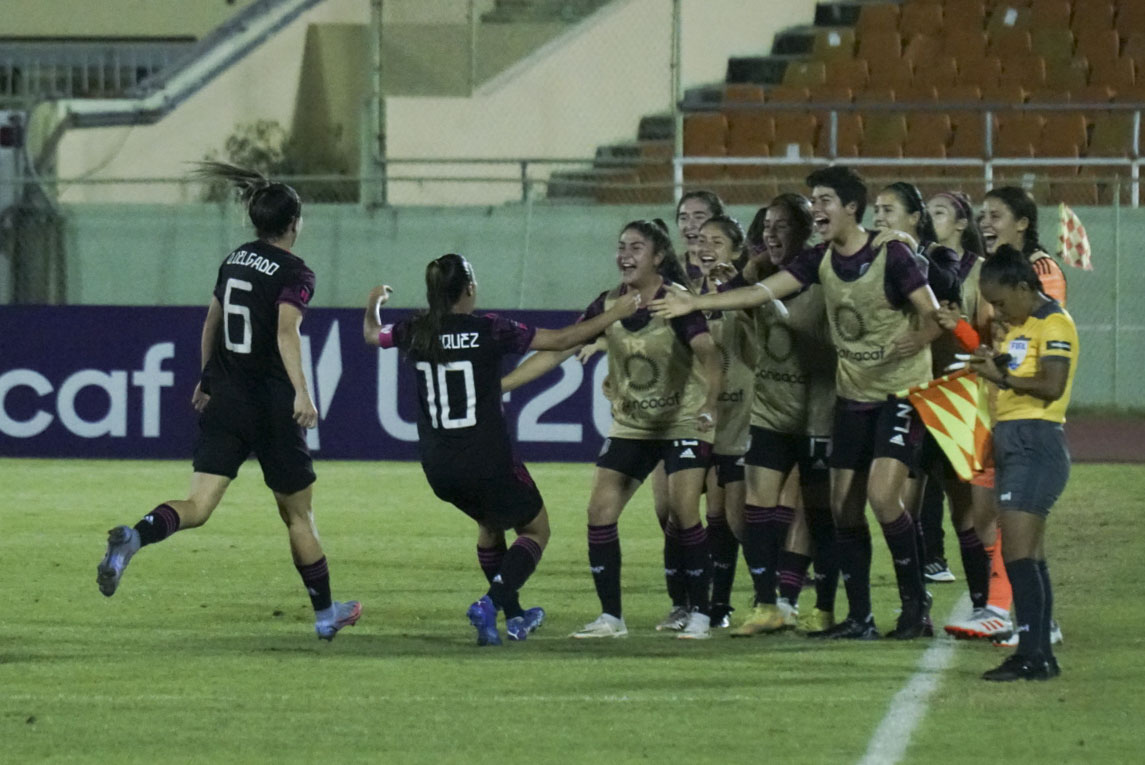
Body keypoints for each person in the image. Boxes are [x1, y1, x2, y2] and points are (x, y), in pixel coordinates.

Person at [652, 165, 943, 640]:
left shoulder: (892, 255)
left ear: (852, 207)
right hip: (854, 398)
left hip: (900, 393)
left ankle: (916, 605)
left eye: (826, 199)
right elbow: (764, 290)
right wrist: (697, 304)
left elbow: (933, 314)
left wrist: (920, 337)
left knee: (882, 496)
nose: (818, 208)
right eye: (815, 199)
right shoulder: (822, 259)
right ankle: (860, 617)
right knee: (844, 509)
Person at [95, 162, 360, 640]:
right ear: (295, 223)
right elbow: (286, 330)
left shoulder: (235, 258)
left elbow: (210, 323)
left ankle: (136, 536)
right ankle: (326, 615)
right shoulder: (296, 271)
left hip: (227, 399)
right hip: (273, 406)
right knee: (298, 514)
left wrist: (207, 378)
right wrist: (302, 391)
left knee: (198, 505)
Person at [364, 254, 638, 645]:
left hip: (438, 465)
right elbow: (561, 340)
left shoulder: (414, 330)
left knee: (490, 525)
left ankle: (514, 616)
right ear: (470, 289)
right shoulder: (490, 329)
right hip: (487, 458)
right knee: (536, 530)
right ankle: (490, 603)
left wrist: (374, 301)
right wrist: (617, 313)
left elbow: (373, 335)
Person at [505, 219, 723, 639]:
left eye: (636, 247)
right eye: (621, 246)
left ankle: (701, 613)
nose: (625, 254)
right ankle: (612, 618)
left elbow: (708, 353)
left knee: (683, 513)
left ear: (658, 256)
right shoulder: (609, 303)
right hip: (633, 425)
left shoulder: (674, 302)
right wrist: (502, 385)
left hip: (682, 421)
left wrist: (711, 403)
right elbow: (559, 348)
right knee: (599, 512)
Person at [728, 196, 839, 637]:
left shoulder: (825, 279)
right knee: (756, 506)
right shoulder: (757, 279)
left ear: (805, 231)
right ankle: (767, 602)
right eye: (766, 227)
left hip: (817, 416)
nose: (772, 235)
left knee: (816, 514)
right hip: (770, 413)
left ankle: (818, 604)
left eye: (783, 226)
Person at [969, 245, 1077, 681]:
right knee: (1030, 554)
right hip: (1018, 440)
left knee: (1016, 551)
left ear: (1022, 286)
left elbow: (1051, 385)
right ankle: (1038, 654)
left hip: (1036, 442)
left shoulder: (1054, 322)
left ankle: (1032, 651)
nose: (997, 311)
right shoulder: (1023, 326)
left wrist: (1003, 376)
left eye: (1000, 301)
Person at [873, 182, 964, 585]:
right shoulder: (868, 257)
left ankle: (980, 590)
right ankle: (917, 567)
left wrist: (908, 250)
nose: (880, 218)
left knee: (960, 493)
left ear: (914, 218)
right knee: (909, 485)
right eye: (876, 210)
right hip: (899, 386)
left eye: (889, 210)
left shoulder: (937, 256)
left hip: (948, 389)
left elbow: (946, 289)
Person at [690, 214, 757, 627]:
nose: (706, 247)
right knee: (701, 514)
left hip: (740, 417)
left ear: (736, 250)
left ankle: (777, 588)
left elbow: (762, 341)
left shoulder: (746, 295)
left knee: (735, 517)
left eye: (717, 240)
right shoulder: (685, 297)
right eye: (700, 240)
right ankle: (714, 604)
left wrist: (735, 292)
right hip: (700, 420)